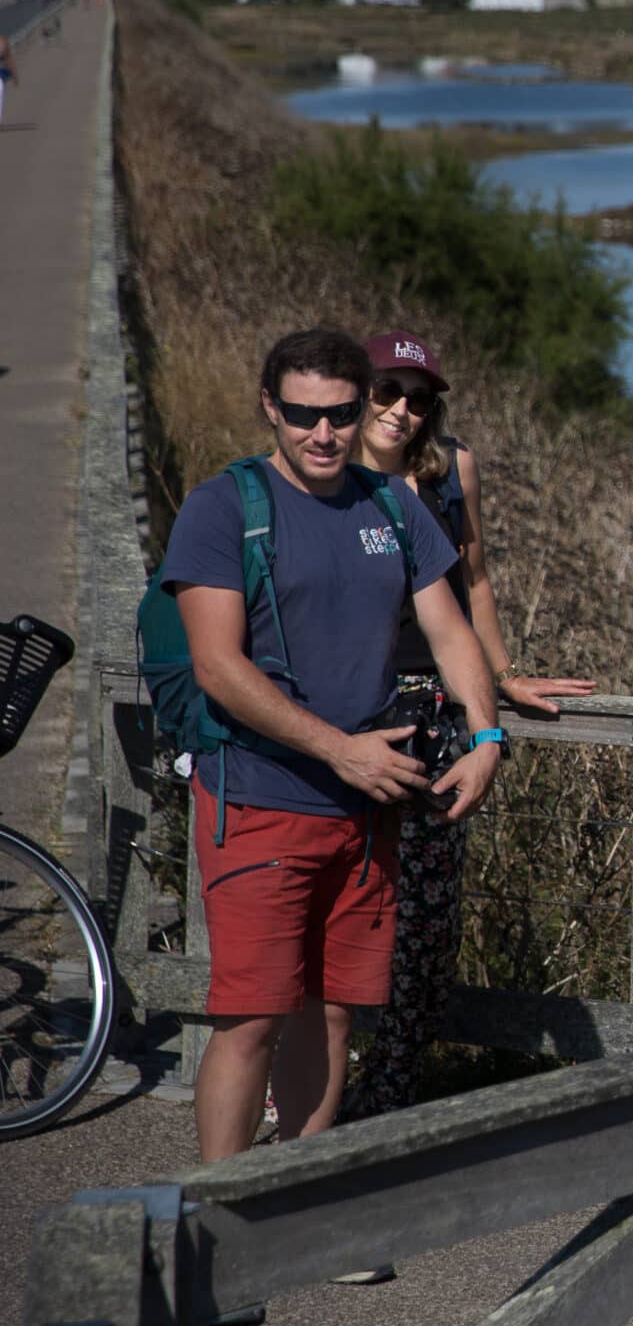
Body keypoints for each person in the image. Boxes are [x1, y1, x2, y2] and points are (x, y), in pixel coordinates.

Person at [160, 330, 503, 1182]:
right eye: (304, 414)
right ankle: (218, 1218)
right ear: (271, 408)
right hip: (263, 796)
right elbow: (218, 667)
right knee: (252, 1018)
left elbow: (452, 631)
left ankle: (301, 1210)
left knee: (335, 1015)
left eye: (341, 413)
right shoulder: (224, 507)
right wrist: (338, 750)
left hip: (366, 808)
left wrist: (488, 736)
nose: (324, 433)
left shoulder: (394, 504)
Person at [338, 331, 595, 1121]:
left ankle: (389, 1093)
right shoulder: (326, 473)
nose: (402, 410)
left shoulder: (451, 467)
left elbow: (474, 576)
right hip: (347, 706)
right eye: (387, 391)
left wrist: (503, 675)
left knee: (423, 913)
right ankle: (309, 1091)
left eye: (418, 397)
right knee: (341, 896)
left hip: (437, 706)